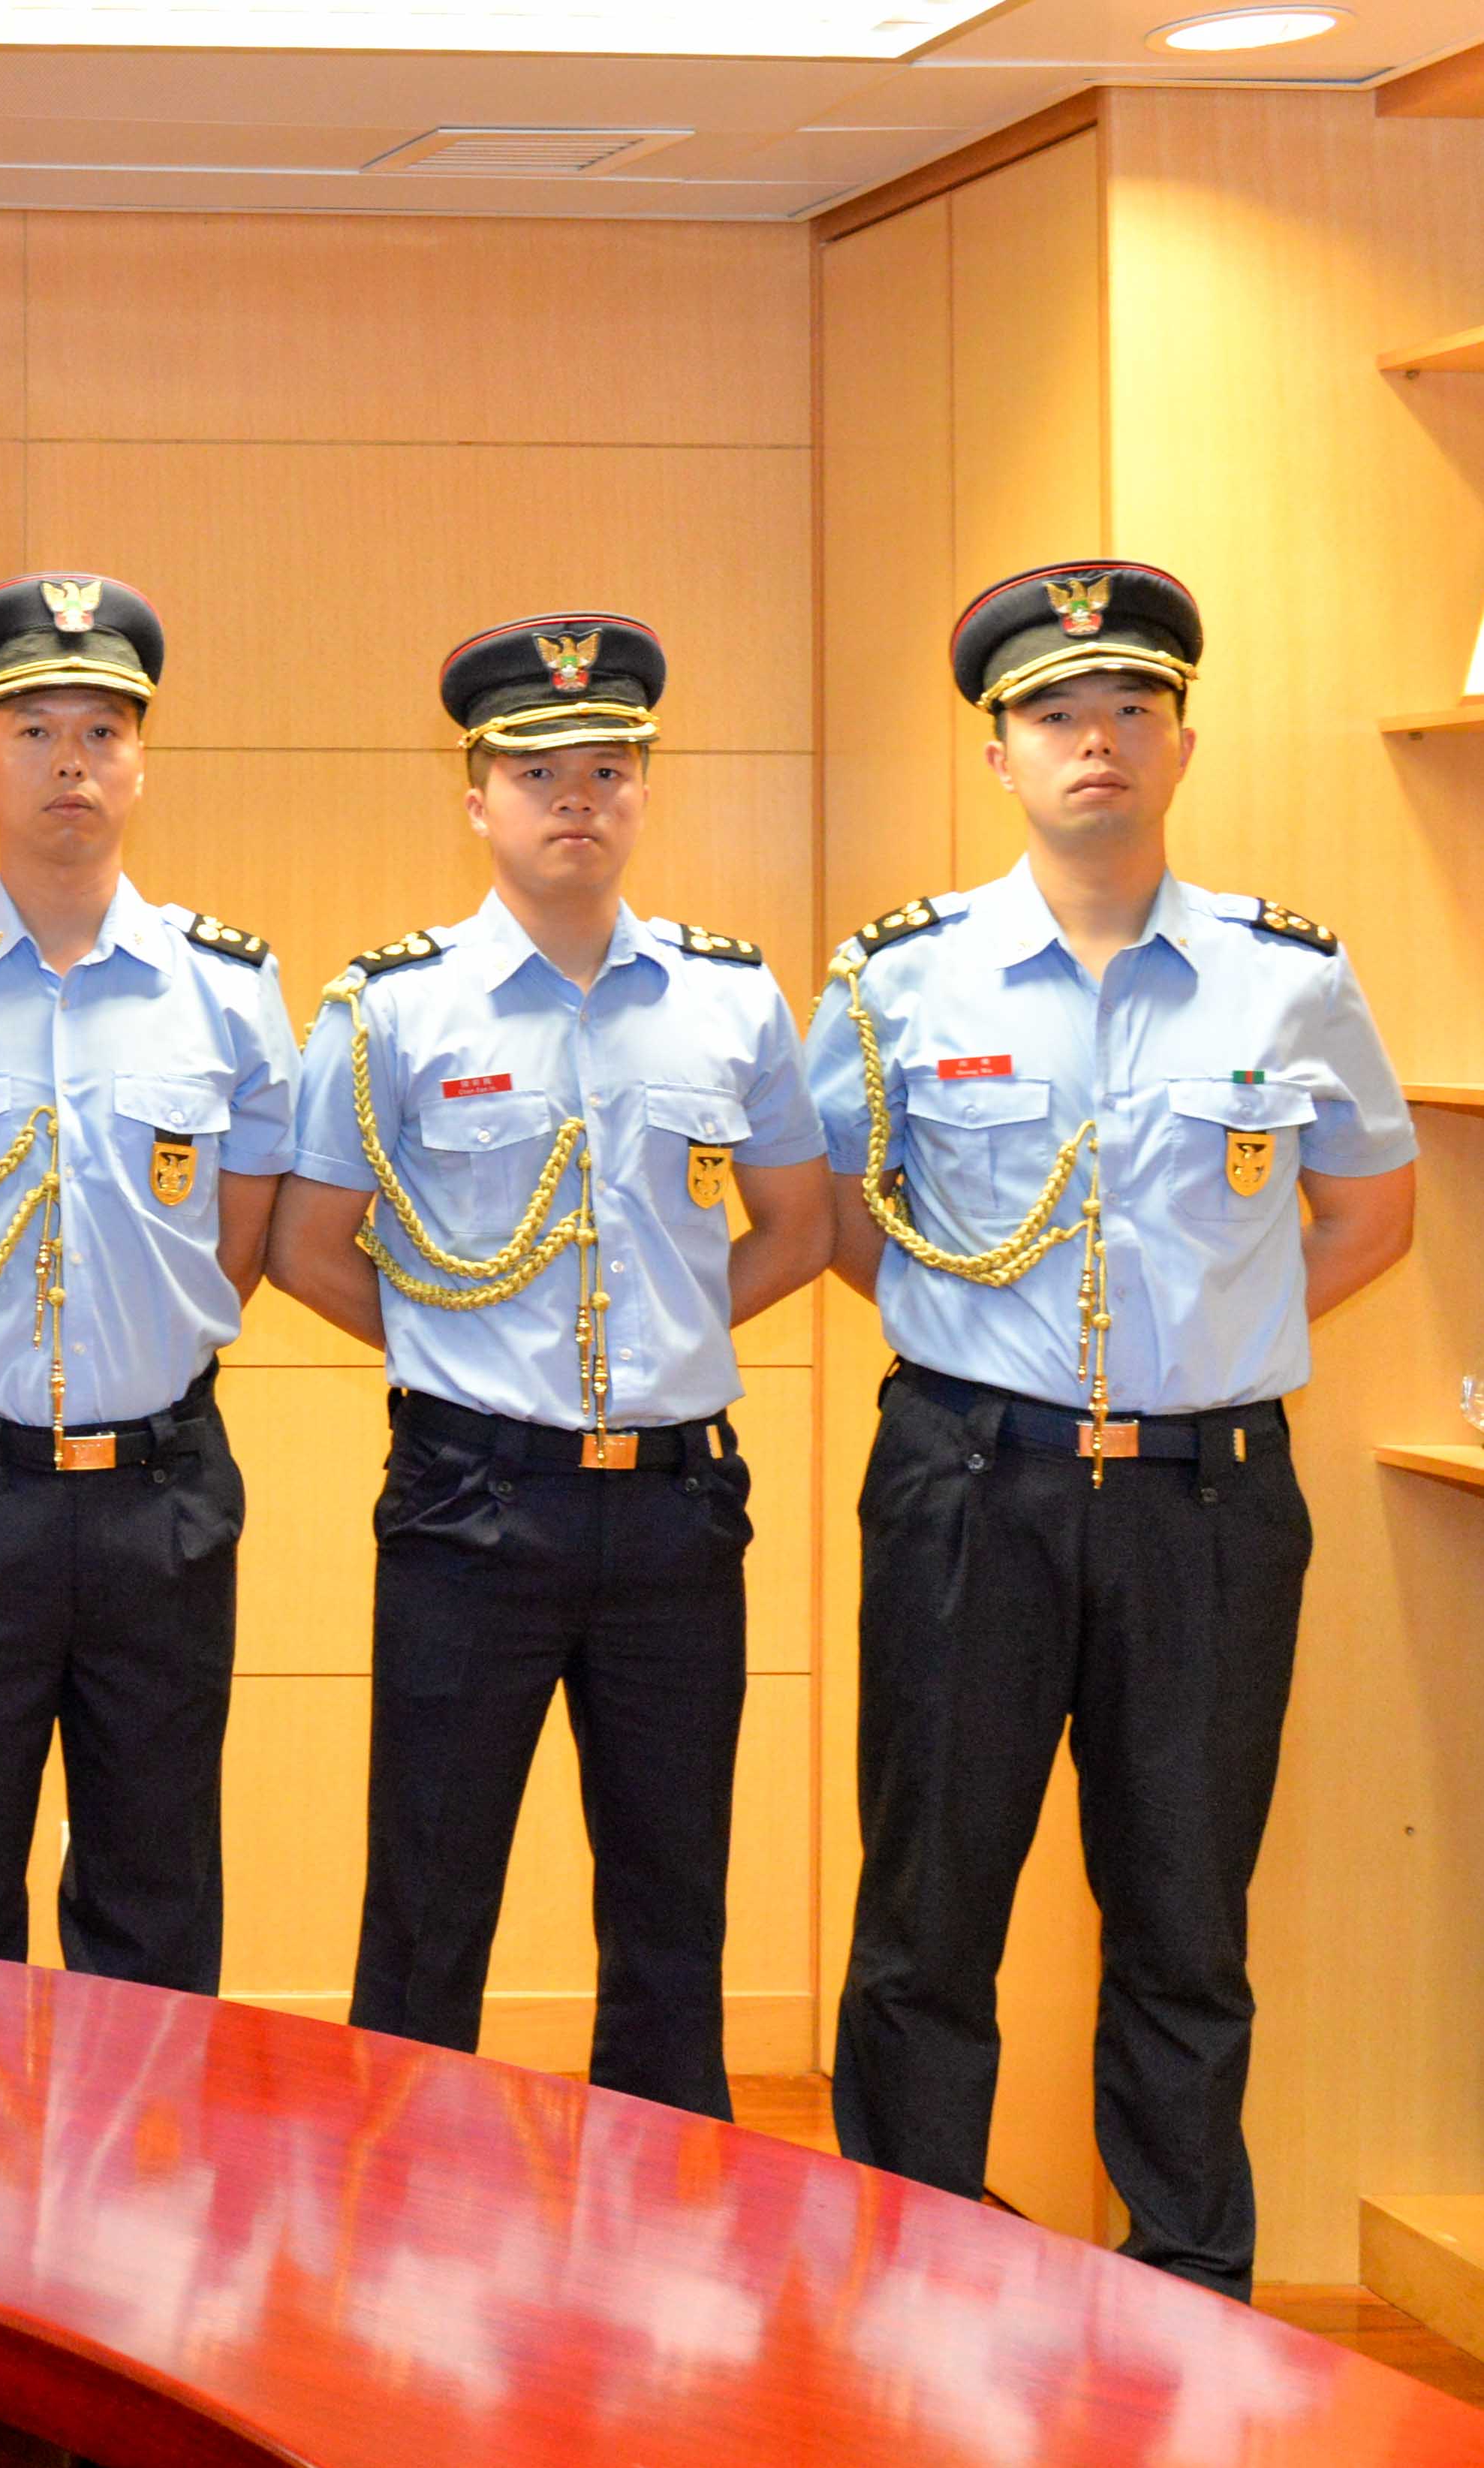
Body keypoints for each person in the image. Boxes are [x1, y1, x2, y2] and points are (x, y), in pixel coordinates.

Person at [806, 561, 1414, 2295]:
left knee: (1183, 1921)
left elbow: (1368, 1212)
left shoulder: (1283, 977)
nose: (1096, 741)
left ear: (1181, 744)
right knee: (928, 1915)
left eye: (1131, 710)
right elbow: (838, 1212)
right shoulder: (897, 979)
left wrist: (1211, 1339)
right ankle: (899, 2287)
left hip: (1204, 1503)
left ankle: (1189, 2296)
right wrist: (980, 1351)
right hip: (964, 1485)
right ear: (997, 753)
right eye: (1056, 715)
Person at [269, 613, 831, 2118]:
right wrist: (460, 1349)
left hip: (673, 1509)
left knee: (671, 1905)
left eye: (607, 768)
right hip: (472, 1502)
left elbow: (799, 1224)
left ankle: (668, 2228)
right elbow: (308, 1248)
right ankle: (391, 2210)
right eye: (537, 773)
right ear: (475, 799)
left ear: (644, 789)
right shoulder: (391, 1007)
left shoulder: (729, 997)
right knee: (427, 1899)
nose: (576, 797)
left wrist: (675, 1331)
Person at [0, 572, 295, 1990]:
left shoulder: (228, 987)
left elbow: (240, 1238)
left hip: (161, 1488)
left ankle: (139, 2144)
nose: (69, 762)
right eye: (32, 731)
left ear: (141, 762)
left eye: (102, 730)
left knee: (156, 1876)